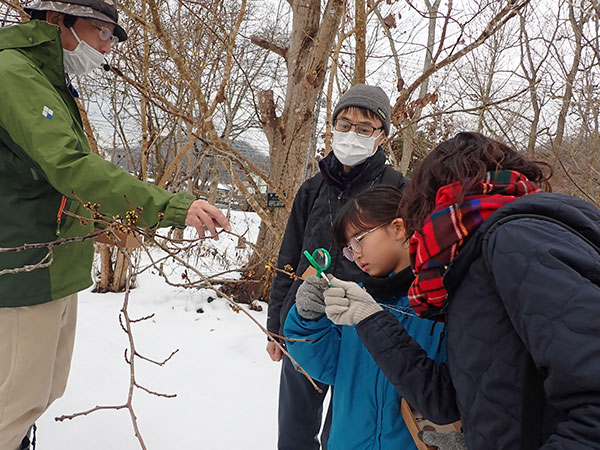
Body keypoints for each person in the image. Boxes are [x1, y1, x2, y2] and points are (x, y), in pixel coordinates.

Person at [0, 2, 230, 449]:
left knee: (42, 392)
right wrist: (170, 206)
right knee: (15, 400)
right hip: (24, 268)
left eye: (111, 37)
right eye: (101, 32)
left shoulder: (52, 81)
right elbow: (72, 167)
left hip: (54, 264)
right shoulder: (14, 73)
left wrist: (103, 221)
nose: (106, 46)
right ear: (56, 20)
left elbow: (51, 182)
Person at [323, 131, 600, 449]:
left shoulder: (518, 240)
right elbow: (445, 399)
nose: (418, 230)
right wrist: (370, 316)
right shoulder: (472, 265)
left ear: (437, 198)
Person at [266, 84, 409, 450]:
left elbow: (408, 258)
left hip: (364, 326)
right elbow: (289, 257)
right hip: (306, 321)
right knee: (295, 431)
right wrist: (277, 325)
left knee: (344, 430)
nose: (352, 134)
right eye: (344, 124)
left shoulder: (397, 189)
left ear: (382, 136)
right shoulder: (312, 189)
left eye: (364, 128)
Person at [283, 185, 447, 450]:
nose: (355, 254)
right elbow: (326, 367)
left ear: (398, 228)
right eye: (349, 248)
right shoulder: (354, 300)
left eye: (359, 239)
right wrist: (308, 320)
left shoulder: (439, 302)